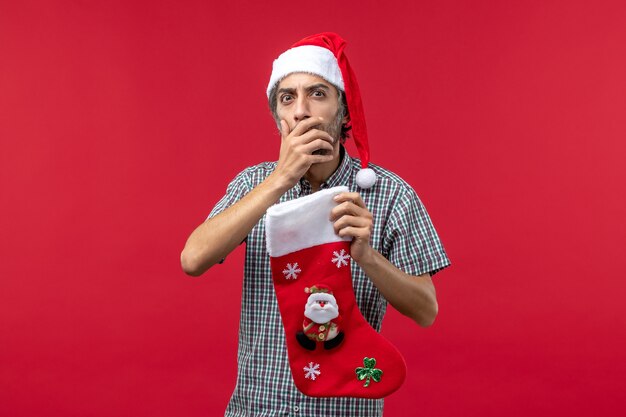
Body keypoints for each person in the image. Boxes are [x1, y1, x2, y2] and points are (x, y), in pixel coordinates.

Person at [181, 32, 450, 417]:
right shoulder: (252, 184)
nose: (301, 110)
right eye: (287, 97)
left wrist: (367, 256)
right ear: (277, 117)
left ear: (343, 111)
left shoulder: (392, 194)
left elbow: (427, 310)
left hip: (344, 409)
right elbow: (193, 259)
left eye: (318, 93)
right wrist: (280, 180)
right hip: (257, 408)